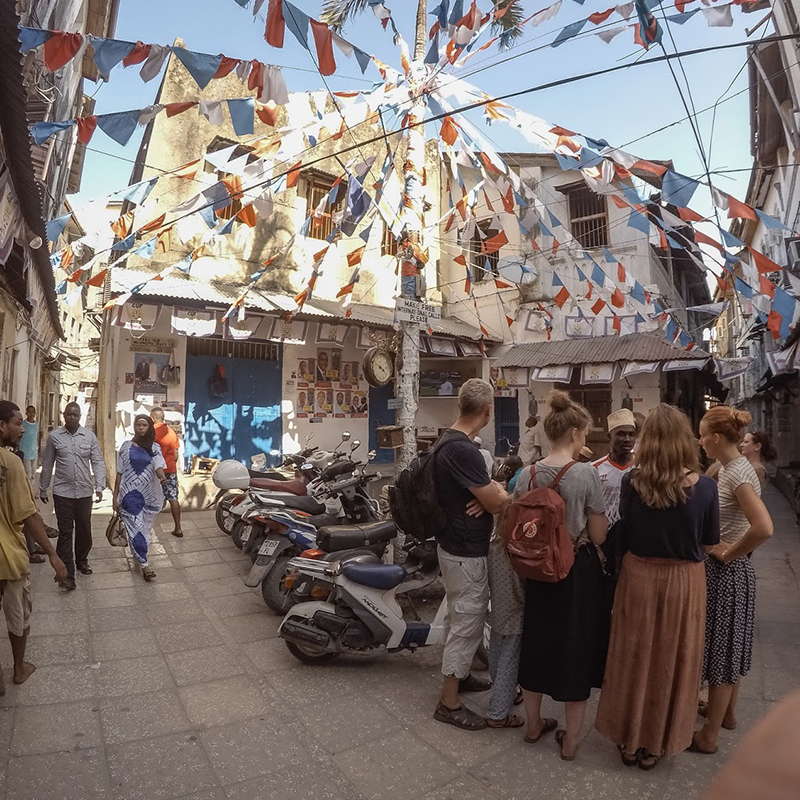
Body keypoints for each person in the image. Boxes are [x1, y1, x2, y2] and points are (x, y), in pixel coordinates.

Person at [595, 405, 720, 770]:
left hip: (639, 576)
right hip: (684, 581)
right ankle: (656, 743)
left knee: (633, 657)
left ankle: (630, 740)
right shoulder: (707, 488)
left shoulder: (631, 481)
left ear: (646, 441)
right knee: (673, 660)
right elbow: (709, 541)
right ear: (685, 442)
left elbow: (627, 532)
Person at [514, 390, 608, 760]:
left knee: (536, 642)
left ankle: (533, 724)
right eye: (584, 434)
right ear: (573, 434)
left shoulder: (527, 474)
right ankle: (571, 740)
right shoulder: (586, 474)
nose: (585, 440)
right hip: (576, 571)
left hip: (536, 570)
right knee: (575, 648)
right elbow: (599, 535)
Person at [692, 406, 773, 755]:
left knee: (722, 655)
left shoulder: (737, 473)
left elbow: (764, 527)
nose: (699, 440)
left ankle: (709, 735)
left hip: (726, 573)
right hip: (730, 573)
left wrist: (729, 552)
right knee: (730, 648)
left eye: (701, 434)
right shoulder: (731, 468)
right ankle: (725, 715)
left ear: (716, 437)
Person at [432, 378, 508, 731]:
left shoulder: (448, 441)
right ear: (488, 411)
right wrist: (495, 496)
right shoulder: (463, 450)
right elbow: (494, 502)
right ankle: (449, 702)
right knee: (466, 623)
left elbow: (485, 495)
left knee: (459, 619)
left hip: (453, 547)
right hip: (465, 552)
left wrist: (487, 494)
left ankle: (459, 678)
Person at [0, 401, 67, 690]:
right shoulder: (11, 463)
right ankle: (18, 668)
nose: (21, 427)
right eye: (16, 422)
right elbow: (27, 515)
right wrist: (53, 554)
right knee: (18, 615)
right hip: (9, 557)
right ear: (2, 426)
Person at [39, 403, 106, 590]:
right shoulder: (55, 437)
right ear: (64, 415)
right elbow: (47, 463)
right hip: (62, 493)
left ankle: (82, 560)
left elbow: (98, 461)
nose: (72, 417)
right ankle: (67, 575)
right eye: (69, 414)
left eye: (75, 415)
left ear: (80, 416)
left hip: (84, 492)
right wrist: (43, 487)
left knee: (84, 529)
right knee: (65, 532)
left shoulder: (89, 436)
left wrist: (100, 485)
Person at [486, 500, 526, 729]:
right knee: (510, 661)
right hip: (516, 612)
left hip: (498, 608)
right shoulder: (519, 551)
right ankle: (498, 713)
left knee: (496, 654)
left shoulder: (493, 548)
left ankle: (504, 695)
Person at [113, 416, 168, 582]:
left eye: (144, 425)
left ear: (149, 427)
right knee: (137, 530)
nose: (141, 428)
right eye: (138, 425)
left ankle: (139, 552)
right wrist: (115, 497)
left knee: (143, 530)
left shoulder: (155, 448)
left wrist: (163, 478)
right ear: (135, 427)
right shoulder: (125, 447)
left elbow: (158, 466)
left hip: (149, 497)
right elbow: (119, 474)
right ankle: (145, 566)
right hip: (129, 497)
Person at [593, 409, 637, 526]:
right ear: (609, 437)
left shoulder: (644, 467)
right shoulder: (594, 469)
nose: (627, 439)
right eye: (621, 434)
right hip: (605, 536)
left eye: (631, 434)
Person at [151, 408, 182, 538]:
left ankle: (149, 528)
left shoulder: (151, 432)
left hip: (155, 470)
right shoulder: (171, 432)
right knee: (173, 498)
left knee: (151, 498)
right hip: (170, 469)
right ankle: (178, 528)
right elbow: (175, 454)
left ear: (152, 418)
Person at [19, 406, 38, 483]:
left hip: (34, 453)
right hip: (25, 453)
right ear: (26, 413)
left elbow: (36, 437)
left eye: (33, 412)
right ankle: (27, 493)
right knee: (28, 474)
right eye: (29, 412)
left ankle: (32, 492)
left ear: (35, 413)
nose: (31, 414)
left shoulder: (36, 424)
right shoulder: (23, 424)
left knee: (33, 474)